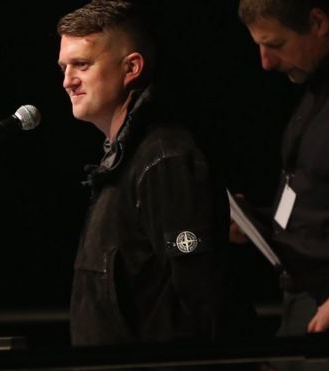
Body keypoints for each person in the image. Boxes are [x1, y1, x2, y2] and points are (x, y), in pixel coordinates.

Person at [57, 0, 244, 346]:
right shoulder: (122, 162)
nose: (68, 81)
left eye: (81, 65)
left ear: (132, 68)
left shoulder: (165, 159)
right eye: (64, 67)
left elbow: (200, 298)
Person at [236, 0, 329, 342]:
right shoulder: (316, 84)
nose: (266, 63)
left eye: (275, 45)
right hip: (301, 296)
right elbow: (328, 203)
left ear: (318, 22)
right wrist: (258, 222)